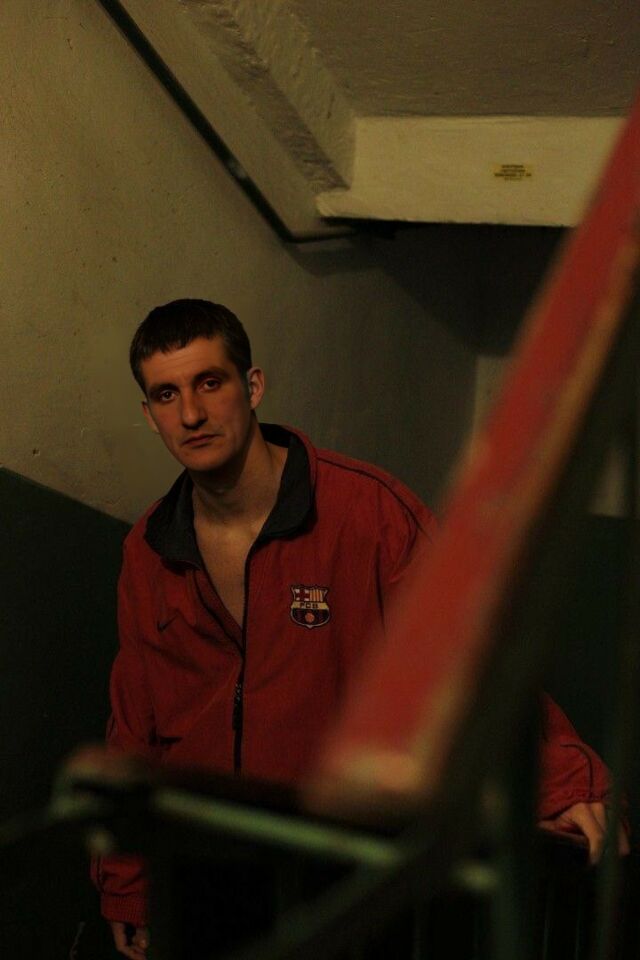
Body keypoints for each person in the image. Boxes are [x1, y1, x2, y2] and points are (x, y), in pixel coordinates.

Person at [94, 299, 623, 959]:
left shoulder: (367, 512)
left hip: (340, 866)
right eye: (167, 395)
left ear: (252, 386)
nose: (192, 414)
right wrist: (126, 885)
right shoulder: (149, 548)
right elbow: (135, 721)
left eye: (210, 382)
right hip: (202, 868)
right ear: (149, 415)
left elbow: (467, 653)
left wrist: (565, 784)